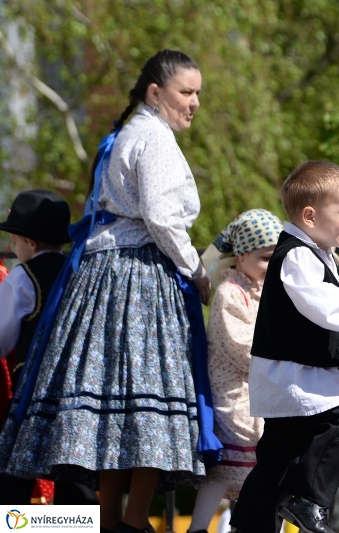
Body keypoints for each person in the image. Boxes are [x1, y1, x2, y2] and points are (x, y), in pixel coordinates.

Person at [0, 50, 212, 533]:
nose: (195, 102)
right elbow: (161, 218)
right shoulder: (154, 139)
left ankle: (112, 520)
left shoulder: (126, 134)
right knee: (145, 399)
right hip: (137, 276)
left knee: (115, 402)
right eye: (187, 91)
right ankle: (134, 521)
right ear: (155, 93)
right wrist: (197, 270)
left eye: (198, 92)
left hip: (105, 276)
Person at [229, 161, 339, 533]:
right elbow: (325, 305)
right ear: (310, 216)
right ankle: (307, 499)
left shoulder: (313, 253)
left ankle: (250, 524)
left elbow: (325, 313)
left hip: (289, 371)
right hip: (293, 373)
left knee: (277, 458)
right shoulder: (298, 255)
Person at [187, 209, 284, 533]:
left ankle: (247, 526)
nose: (272, 266)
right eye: (266, 258)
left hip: (255, 392)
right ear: (242, 256)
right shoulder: (231, 293)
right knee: (228, 466)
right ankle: (198, 527)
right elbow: (241, 346)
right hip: (233, 393)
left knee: (252, 469)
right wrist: (282, 355)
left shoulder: (261, 292)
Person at [0, 190, 70, 504]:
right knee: (72, 478)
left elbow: (2, 340)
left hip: (34, 394)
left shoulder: (22, 277)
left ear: (30, 243)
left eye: (14, 242)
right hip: (75, 395)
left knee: (13, 478)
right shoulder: (79, 273)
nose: (13, 249)